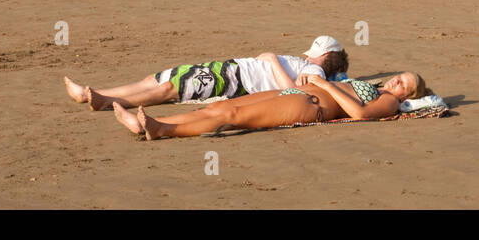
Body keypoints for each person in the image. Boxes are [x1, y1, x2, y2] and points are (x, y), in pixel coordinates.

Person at [114, 71, 430, 139]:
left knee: (234, 116)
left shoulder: (388, 102)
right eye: (398, 77)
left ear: (407, 97)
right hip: (298, 94)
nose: (394, 83)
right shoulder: (378, 88)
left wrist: (322, 84)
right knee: (225, 106)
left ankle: (163, 130)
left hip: (310, 106)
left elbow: (361, 115)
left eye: (403, 85)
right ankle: (147, 122)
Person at [64, 35, 350, 110]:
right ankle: (96, 94)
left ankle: (105, 100)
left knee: (169, 89)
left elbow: (294, 93)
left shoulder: (314, 70)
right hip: (230, 68)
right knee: (159, 79)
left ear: (324, 55)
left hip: (235, 79)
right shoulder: (311, 69)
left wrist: (273, 60)